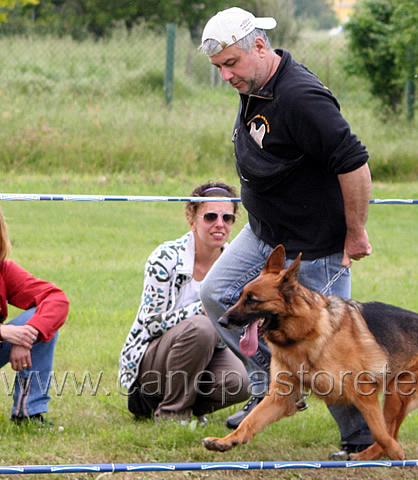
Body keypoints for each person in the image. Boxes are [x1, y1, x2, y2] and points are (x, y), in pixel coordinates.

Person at [199, 7, 374, 459]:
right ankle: (276, 390)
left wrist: (355, 232)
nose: (226, 77)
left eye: (231, 64)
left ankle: (363, 439)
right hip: (265, 234)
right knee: (219, 292)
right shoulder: (258, 84)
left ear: (260, 47)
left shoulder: (301, 97)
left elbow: (354, 163)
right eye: (219, 69)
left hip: (313, 248)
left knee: (332, 346)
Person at [119, 182, 250, 424]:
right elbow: (151, 324)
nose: (219, 224)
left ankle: (186, 408)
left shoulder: (237, 268)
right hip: (152, 363)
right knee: (202, 327)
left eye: (228, 218)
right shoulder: (165, 258)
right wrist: (200, 311)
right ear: (192, 220)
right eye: (210, 217)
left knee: (244, 380)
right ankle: (170, 415)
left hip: (209, 355)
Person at [0, 207, 68, 426]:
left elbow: (56, 297)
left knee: (44, 318)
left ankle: (28, 413)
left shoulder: (4, 270)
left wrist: (29, 334)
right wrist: (4, 332)